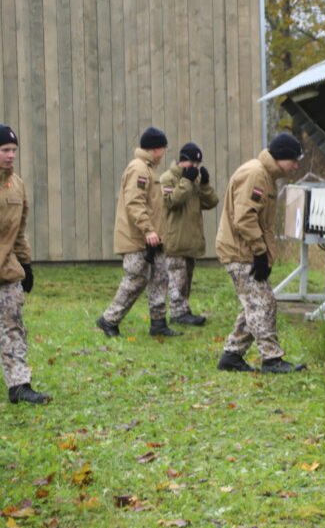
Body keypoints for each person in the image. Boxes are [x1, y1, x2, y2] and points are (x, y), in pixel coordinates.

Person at [215, 132, 306, 374]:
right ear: (281, 157)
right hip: (240, 251)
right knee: (263, 303)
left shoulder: (266, 175)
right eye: (293, 160)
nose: (296, 165)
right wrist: (259, 252)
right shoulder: (256, 174)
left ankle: (231, 356)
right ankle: (272, 359)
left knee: (254, 304)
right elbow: (244, 218)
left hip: (246, 250)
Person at [96, 127, 181, 338]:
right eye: (163, 147)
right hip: (138, 238)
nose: (164, 152)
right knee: (136, 279)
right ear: (156, 149)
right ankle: (109, 320)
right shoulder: (139, 169)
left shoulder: (150, 169)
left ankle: (158, 322)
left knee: (159, 278)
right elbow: (135, 203)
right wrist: (148, 230)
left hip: (153, 239)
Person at [0, 126, 50, 405]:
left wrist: (26, 264)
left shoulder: (16, 185)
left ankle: (19, 384)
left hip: (7, 270)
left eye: (13, 151)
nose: (10, 156)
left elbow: (19, 231)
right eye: (5, 150)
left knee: (13, 326)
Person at [159, 142, 218, 326]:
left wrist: (205, 185)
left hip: (191, 239)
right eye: (192, 163)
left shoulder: (195, 179)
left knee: (186, 277)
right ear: (182, 161)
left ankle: (184, 309)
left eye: (197, 165)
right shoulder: (168, 178)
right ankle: (177, 313)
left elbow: (211, 202)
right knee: (176, 277)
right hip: (175, 238)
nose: (195, 168)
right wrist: (186, 182)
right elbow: (171, 201)